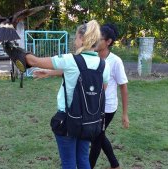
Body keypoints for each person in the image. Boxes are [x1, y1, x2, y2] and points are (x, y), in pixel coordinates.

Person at [33, 23, 129, 169]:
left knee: (95, 142)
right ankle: (111, 164)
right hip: (88, 112)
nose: (74, 40)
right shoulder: (101, 63)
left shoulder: (112, 61)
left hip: (95, 110)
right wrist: (50, 73)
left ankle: (113, 164)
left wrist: (124, 113)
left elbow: (122, 85)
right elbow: (79, 72)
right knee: (89, 148)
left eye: (76, 37)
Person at [89, 23, 129, 169]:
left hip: (108, 108)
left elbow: (123, 87)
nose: (95, 41)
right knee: (98, 135)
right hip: (93, 106)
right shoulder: (92, 57)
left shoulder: (115, 61)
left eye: (99, 39)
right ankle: (115, 164)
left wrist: (125, 114)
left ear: (108, 42)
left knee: (96, 139)